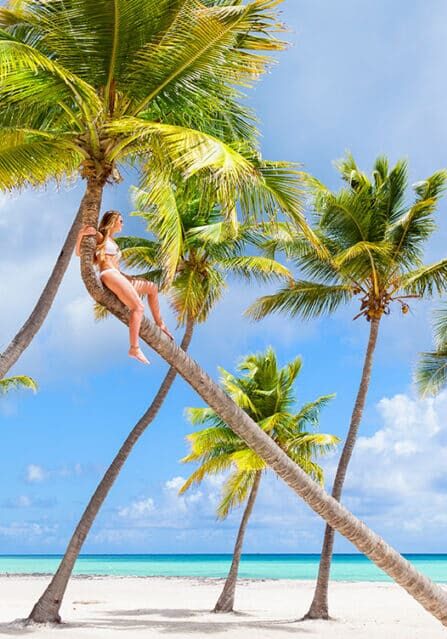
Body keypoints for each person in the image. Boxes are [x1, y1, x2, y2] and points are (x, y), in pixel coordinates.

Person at [76, 210, 173, 365]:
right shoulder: (101, 237)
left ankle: (160, 324)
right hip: (108, 274)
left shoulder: (113, 242)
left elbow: (115, 263)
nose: (122, 224)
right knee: (138, 307)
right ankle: (134, 348)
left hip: (119, 275)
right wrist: (81, 234)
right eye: (120, 221)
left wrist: (128, 277)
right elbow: (80, 253)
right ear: (112, 221)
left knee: (152, 288)